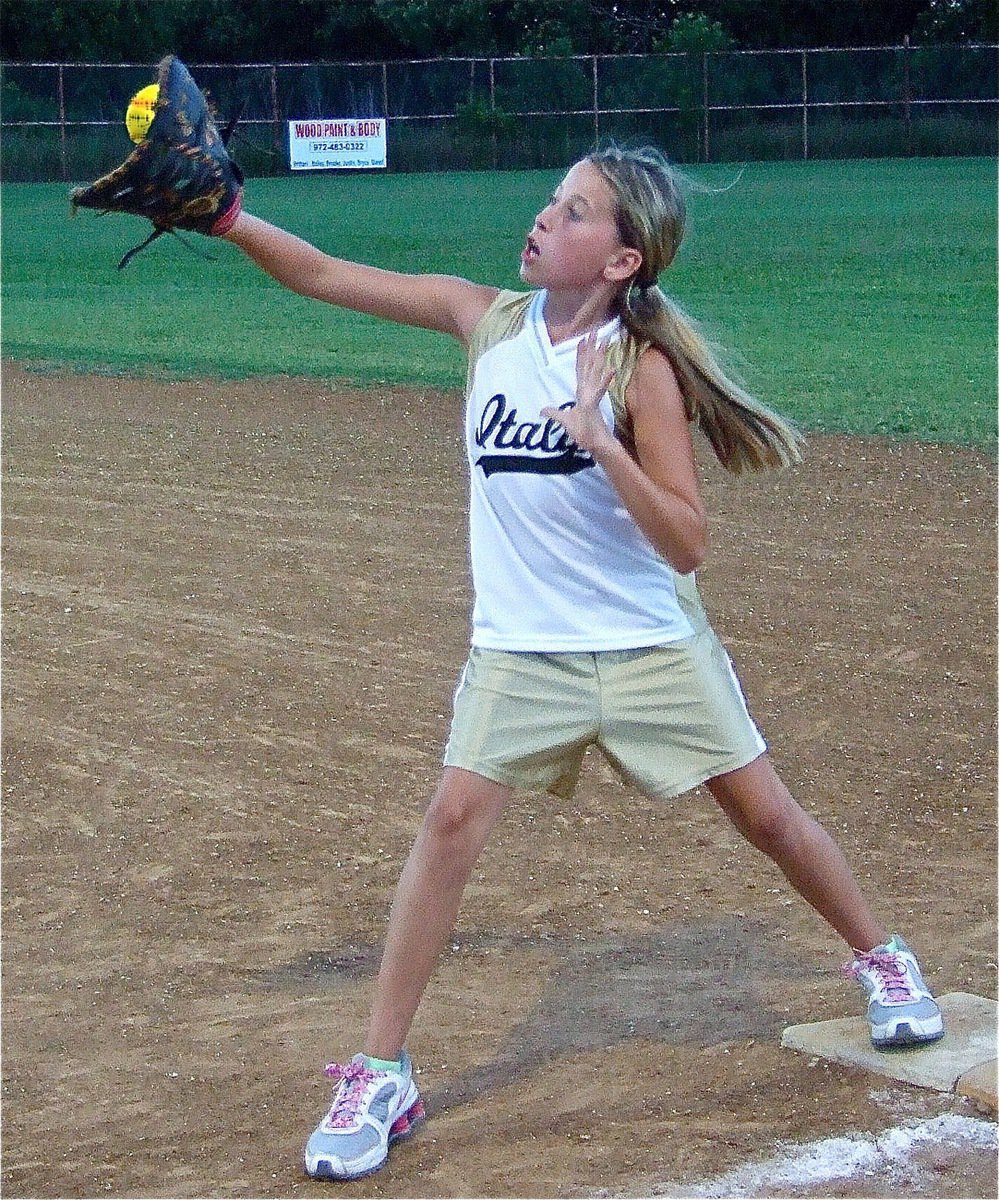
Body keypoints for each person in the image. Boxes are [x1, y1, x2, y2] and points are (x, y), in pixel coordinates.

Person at [222, 144, 944, 1182]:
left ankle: (883, 957)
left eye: (574, 213)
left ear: (619, 260)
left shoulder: (639, 369)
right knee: (451, 823)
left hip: (649, 645)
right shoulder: (488, 323)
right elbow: (327, 274)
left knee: (768, 817)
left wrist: (603, 443)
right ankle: (381, 1070)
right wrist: (231, 221)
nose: (543, 220)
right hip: (523, 652)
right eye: (552, 203)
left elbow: (688, 542)